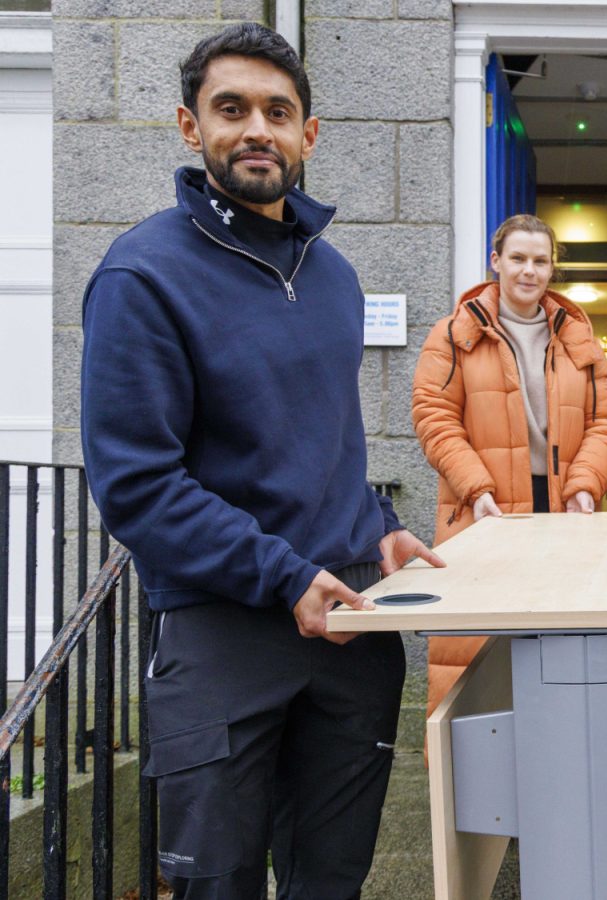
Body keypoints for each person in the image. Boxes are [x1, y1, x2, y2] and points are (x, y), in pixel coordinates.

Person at [79, 23, 445, 899]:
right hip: (227, 631)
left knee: (332, 880)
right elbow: (136, 487)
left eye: (278, 112)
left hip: (351, 629)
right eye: (230, 108)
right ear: (188, 125)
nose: (257, 129)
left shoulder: (334, 275)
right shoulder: (142, 275)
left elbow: (328, 443)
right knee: (219, 884)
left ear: (307, 135)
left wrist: (381, 530)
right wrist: (282, 575)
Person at [412, 213, 607, 715]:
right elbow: (433, 416)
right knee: (476, 667)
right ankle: (469, 786)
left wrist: (584, 486)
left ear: (552, 269)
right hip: (482, 513)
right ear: (496, 262)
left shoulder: (579, 338)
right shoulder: (452, 335)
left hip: (564, 516)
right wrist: (475, 488)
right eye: (518, 259)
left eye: (540, 261)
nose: (529, 271)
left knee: (558, 661)